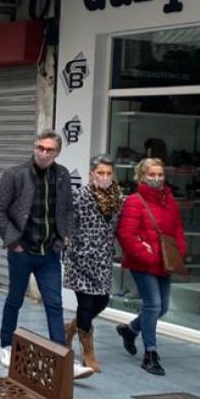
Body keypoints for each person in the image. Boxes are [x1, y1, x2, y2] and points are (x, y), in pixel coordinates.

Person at [0, 129, 91, 379]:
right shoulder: (15, 174)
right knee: (15, 299)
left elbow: (67, 209)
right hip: (22, 250)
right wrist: (13, 242)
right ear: (34, 148)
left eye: (50, 150)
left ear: (57, 153)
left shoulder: (62, 175)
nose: (44, 153)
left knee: (55, 304)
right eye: (40, 148)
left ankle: (61, 358)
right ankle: (6, 346)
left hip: (49, 252)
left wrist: (64, 235)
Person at [116, 157, 186, 376]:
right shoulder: (135, 201)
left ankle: (131, 330)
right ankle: (150, 353)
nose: (156, 179)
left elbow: (177, 230)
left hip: (165, 262)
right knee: (153, 305)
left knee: (162, 307)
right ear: (142, 176)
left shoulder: (169, 201)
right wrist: (146, 254)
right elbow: (126, 234)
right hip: (144, 263)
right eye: (151, 175)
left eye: (160, 175)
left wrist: (179, 253)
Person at [64, 154, 124, 374]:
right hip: (80, 258)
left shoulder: (118, 198)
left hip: (102, 260)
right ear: (91, 174)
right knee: (86, 305)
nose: (105, 177)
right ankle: (88, 352)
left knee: (102, 301)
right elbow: (68, 222)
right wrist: (69, 242)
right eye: (101, 173)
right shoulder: (80, 196)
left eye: (108, 173)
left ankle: (71, 328)